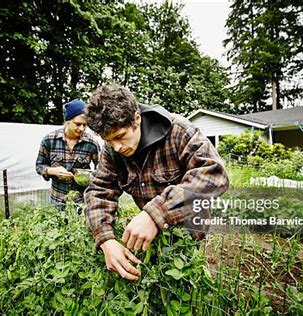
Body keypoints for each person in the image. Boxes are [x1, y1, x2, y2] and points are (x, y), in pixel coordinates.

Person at [84, 84, 229, 281]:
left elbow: (214, 175)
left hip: (187, 232)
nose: (116, 147)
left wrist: (156, 213)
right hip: (148, 236)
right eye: (108, 141)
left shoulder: (180, 131)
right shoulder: (112, 150)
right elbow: (99, 190)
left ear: (136, 118)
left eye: (120, 137)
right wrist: (105, 239)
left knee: (184, 285)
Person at [36, 99, 100, 208]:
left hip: (82, 202)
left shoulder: (91, 143)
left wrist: (90, 176)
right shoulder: (50, 140)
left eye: (85, 125)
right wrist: (52, 171)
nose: (82, 129)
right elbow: (39, 166)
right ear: (68, 121)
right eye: (78, 124)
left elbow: (102, 168)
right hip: (57, 201)